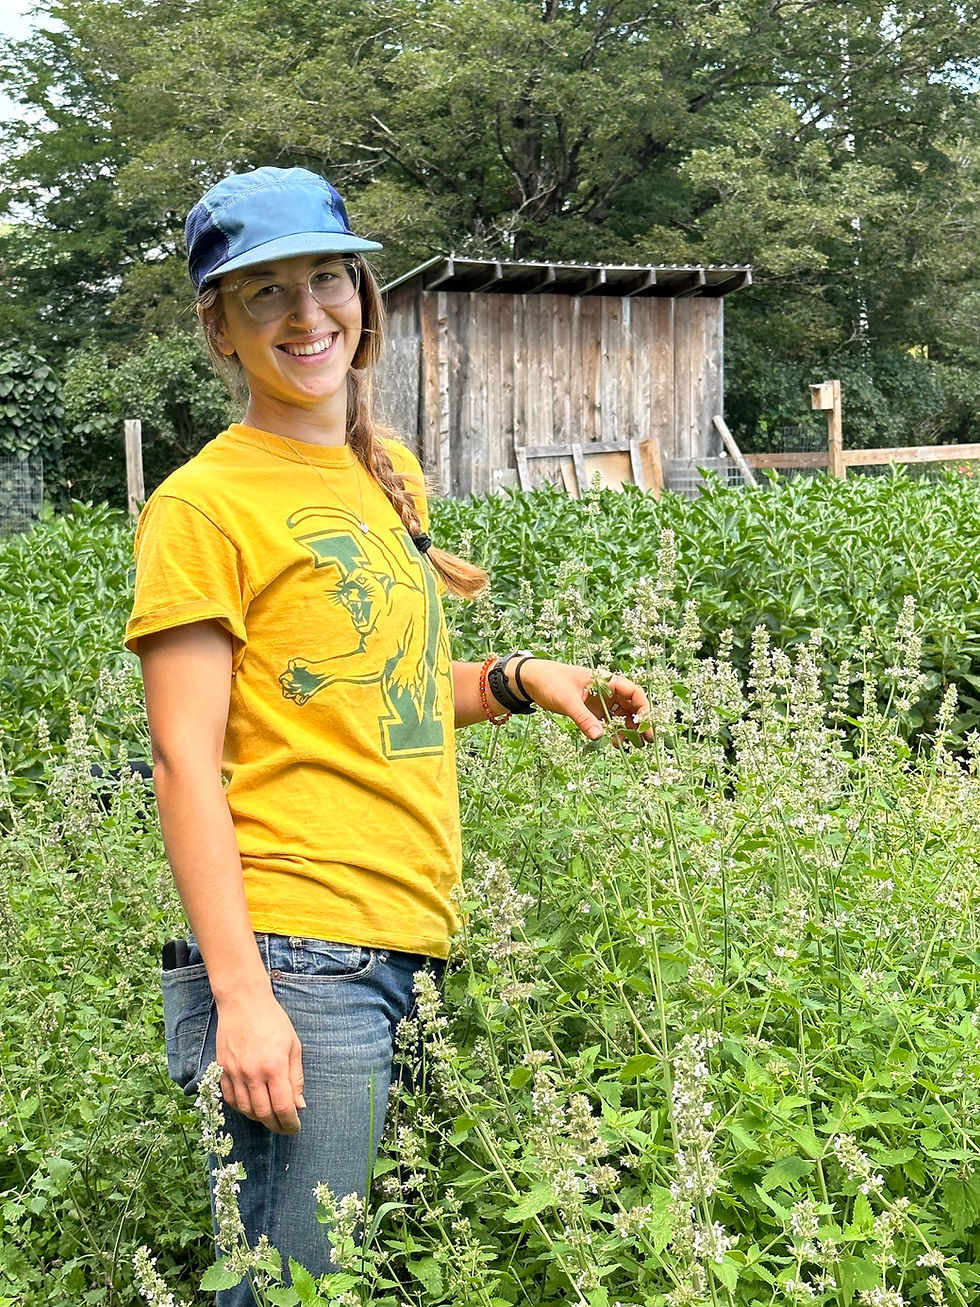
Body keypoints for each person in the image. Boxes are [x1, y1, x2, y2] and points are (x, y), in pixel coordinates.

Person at [125, 165, 653, 1300]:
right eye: (263, 293)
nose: (305, 314)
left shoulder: (386, 472)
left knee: (331, 1274)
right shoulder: (202, 505)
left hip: (399, 935)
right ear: (216, 323)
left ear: (363, 295)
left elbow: (380, 689)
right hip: (297, 951)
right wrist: (244, 995)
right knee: (286, 1285)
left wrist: (516, 678)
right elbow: (183, 762)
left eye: (325, 280)